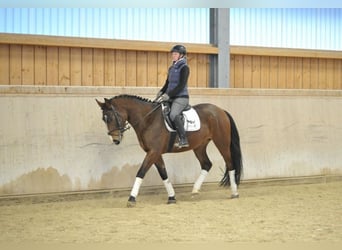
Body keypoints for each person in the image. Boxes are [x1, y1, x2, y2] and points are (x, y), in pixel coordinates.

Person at [156, 44, 190, 148]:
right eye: (173, 54)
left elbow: (181, 85)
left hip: (181, 97)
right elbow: (167, 83)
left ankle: (183, 139)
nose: (173, 55)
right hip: (170, 97)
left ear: (181, 55)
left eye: (175, 54)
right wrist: (161, 92)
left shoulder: (185, 68)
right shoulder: (171, 68)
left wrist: (168, 94)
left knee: (173, 114)